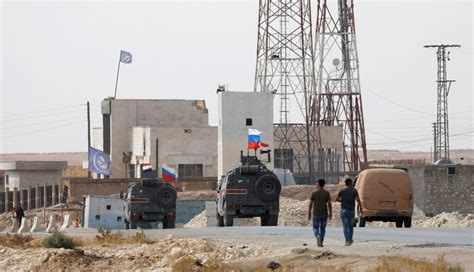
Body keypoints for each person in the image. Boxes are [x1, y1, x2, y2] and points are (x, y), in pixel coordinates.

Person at [336, 178, 362, 246]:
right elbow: (358, 200)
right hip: (351, 211)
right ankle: (350, 240)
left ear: (345, 184)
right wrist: (361, 208)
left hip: (344, 210)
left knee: (345, 226)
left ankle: (347, 241)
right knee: (351, 226)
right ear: (351, 183)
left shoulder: (342, 191)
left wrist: (343, 201)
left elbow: (337, 199)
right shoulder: (354, 191)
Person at [308, 179, 332, 247]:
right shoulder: (327, 193)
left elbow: (310, 204)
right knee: (323, 228)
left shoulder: (314, 193)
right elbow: (329, 204)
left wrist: (309, 213)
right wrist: (330, 214)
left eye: (316, 183)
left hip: (316, 213)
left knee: (315, 227)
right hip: (324, 213)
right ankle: (321, 242)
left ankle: (317, 235)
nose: (316, 184)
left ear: (318, 184)